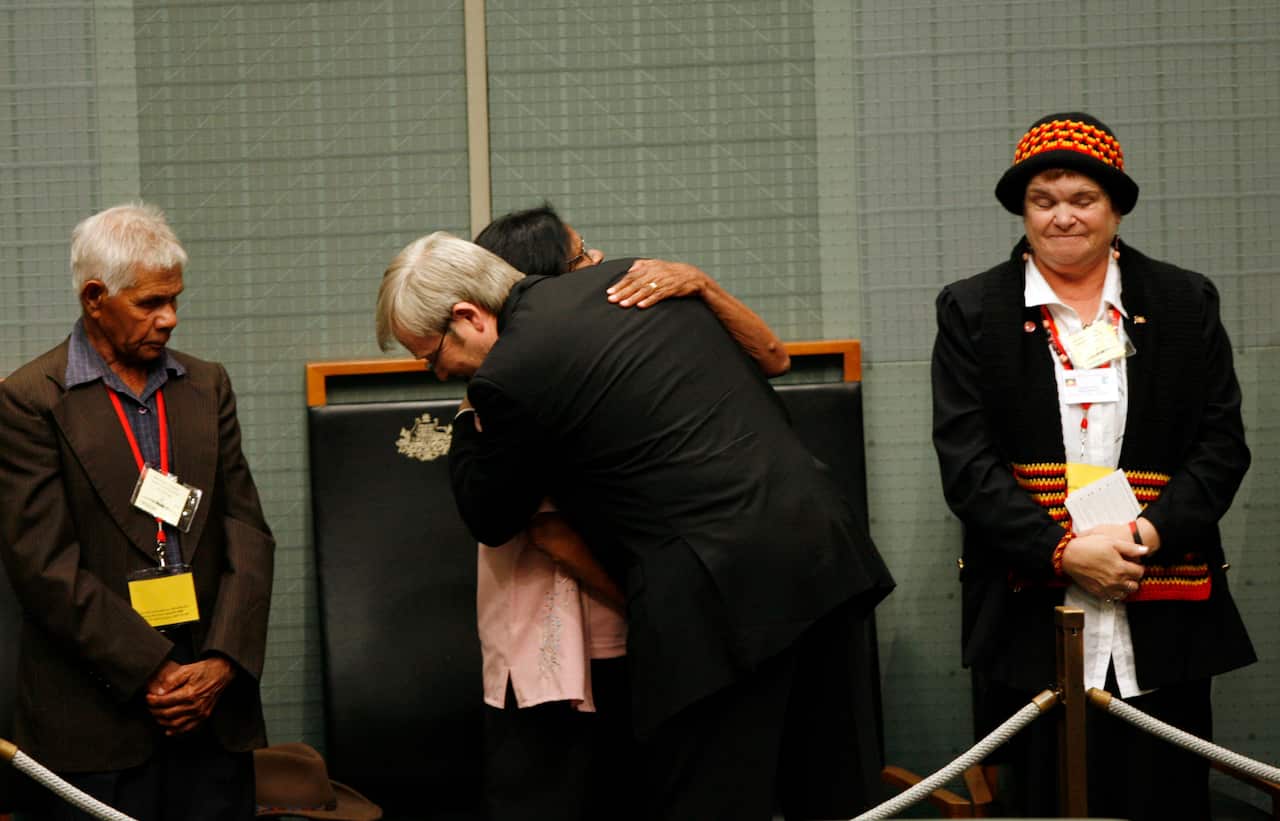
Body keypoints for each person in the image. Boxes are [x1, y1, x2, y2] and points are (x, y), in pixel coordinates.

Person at [375, 231, 894, 820]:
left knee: (711, 800)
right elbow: (770, 362)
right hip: (823, 548)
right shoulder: (635, 280)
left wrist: (472, 411)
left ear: (469, 316)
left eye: (433, 356)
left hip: (717, 596)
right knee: (834, 790)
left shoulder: (510, 375)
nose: (440, 373)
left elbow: (491, 517)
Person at [931, 112, 1255, 818]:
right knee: (1043, 796)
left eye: (1083, 199)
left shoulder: (1183, 300)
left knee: (1165, 795)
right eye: (1044, 200)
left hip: (1161, 595)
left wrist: (1147, 535)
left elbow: (1222, 445)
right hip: (1027, 606)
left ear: (1114, 207)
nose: (1063, 217)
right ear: (1023, 209)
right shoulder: (972, 310)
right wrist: (1064, 550)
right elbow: (966, 462)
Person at [469, 203, 790, 821]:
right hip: (575, 628)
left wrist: (700, 281)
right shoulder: (518, 379)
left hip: (651, 614)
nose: (600, 265)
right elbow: (550, 533)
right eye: (582, 257)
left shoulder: (629, 350)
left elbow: (774, 359)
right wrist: (651, 608)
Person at [0, 203, 275, 821]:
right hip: (95, 720)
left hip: (211, 710)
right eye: (150, 303)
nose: (170, 318)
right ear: (95, 297)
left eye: (175, 299)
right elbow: (43, 566)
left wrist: (222, 662)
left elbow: (248, 533)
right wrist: (153, 670)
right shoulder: (29, 401)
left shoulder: (206, 385)